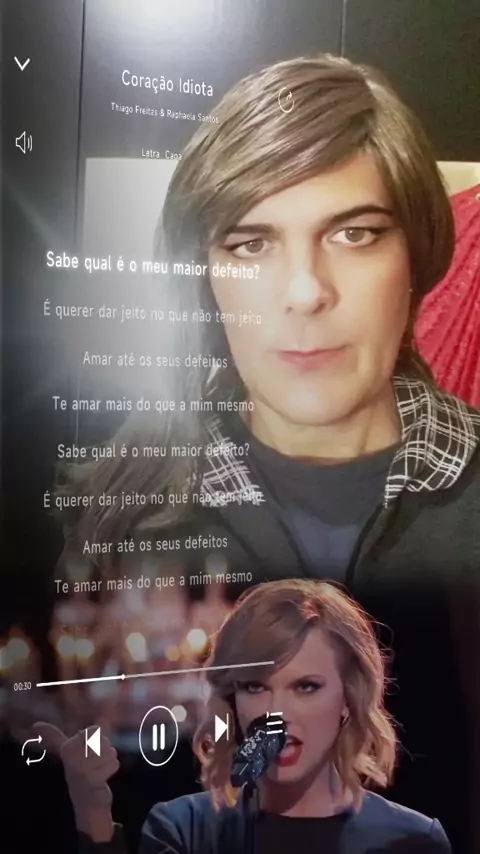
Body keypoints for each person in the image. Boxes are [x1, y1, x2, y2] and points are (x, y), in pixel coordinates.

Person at [55, 54, 480, 847]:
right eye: (251, 243)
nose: (304, 290)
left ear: (416, 260)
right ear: (206, 278)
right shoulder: (118, 505)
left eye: (354, 234)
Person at [37, 579, 452, 852]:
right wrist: (92, 811)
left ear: (348, 698)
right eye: (256, 687)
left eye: (306, 687)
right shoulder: (185, 829)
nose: (277, 714)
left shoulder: (413, 840)